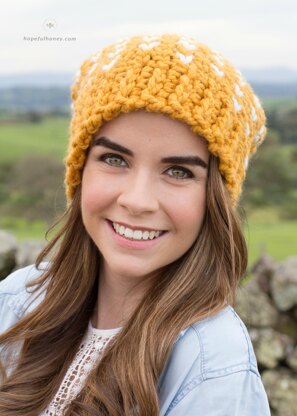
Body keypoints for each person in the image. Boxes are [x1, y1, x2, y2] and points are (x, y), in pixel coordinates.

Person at [0, 33, 271, 415]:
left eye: (178, 171)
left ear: (214, 200)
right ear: (80, 172)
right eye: (114, 159)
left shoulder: (211, 361)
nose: (137, 200)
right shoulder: (16, 303)